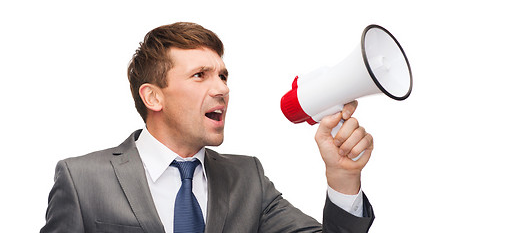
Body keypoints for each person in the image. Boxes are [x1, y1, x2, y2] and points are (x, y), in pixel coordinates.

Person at [41, 22, 375, 233]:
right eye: (200, 75)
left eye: (223, 76)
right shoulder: (82, 179)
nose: (222, 89)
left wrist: (343, 180)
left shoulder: (248, 179)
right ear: (153, 97)